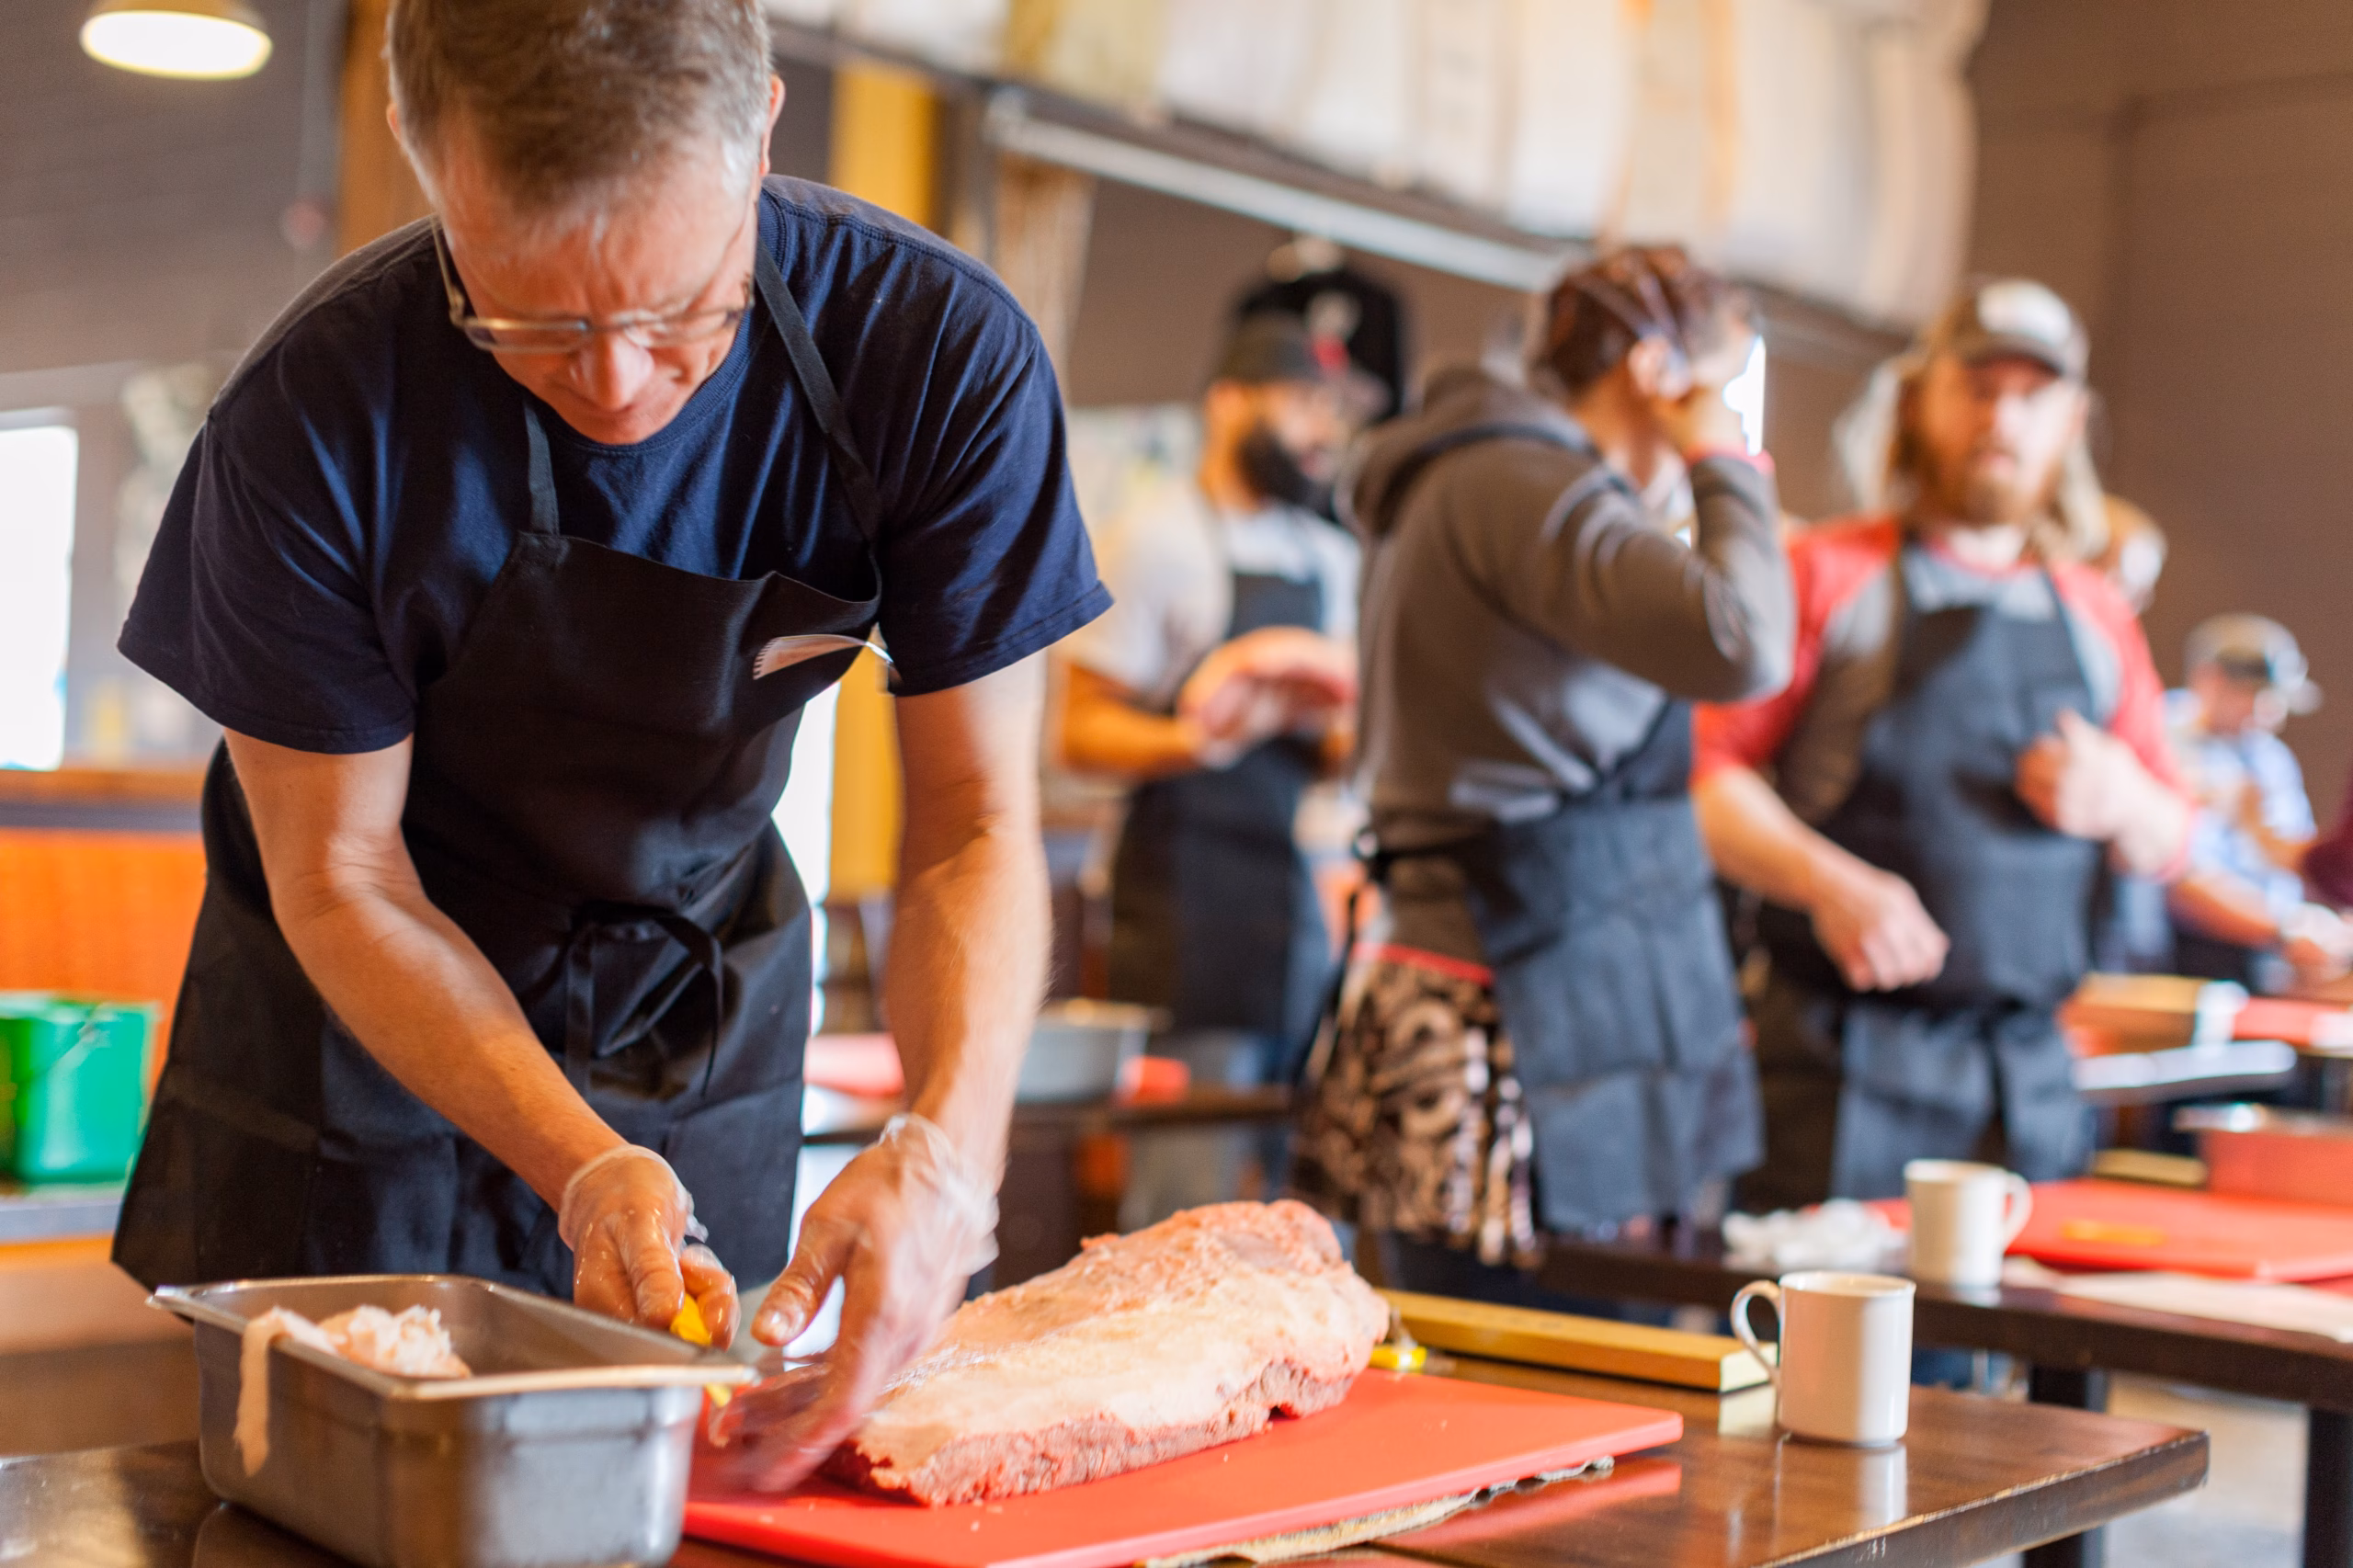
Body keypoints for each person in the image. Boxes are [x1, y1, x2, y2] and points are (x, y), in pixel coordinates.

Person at [110, 0, 1107, 1488]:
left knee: (688, 1502)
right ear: (423, 156)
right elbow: (345, 876)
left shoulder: (932, 358)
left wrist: (949, 1152)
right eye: (535, 326)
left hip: (688, 996)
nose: (622, 386)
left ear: (763, 128)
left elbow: (974, 823)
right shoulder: (312, 417)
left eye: (686, 312)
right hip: (361, 1018)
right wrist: (576, 1165)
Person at [1292, 245, 1792, 1299]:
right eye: (1722, 384)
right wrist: (1726, 461)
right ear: (1659, 374)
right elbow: (1742, 637)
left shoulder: (1508, 476)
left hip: (1529, 974)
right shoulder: (1520, 479)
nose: (1728, 411)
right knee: (1531, 1387)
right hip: (1509, 1011)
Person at [1695, 278, 2192, 1210]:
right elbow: (1698, 776)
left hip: (2024, 1086)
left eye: (2031, 394)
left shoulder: (2094, 612)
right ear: (1918, 398)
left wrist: (2124, 799)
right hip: (1838, 1071)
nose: (2001, 415)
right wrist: (1826, 881)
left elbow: (2172, 837)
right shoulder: (1829, 576)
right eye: (1976, 386)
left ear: (2071, 420)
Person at [1053, 312, 1366, 1217]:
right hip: (1186, 914)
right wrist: (1198, 740)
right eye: (1301, 401)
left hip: (1300, 917)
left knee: (1295, 1205)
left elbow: (1348, 746)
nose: (1321, 431)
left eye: (1331, 410)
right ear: (1229, 403)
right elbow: (1077, 734)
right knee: (1182, 1201)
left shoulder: (1329, 556)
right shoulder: (1154, 537)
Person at [2165, 615, 2353, 991]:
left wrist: (2323, 928)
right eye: (2256, 697)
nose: (2270, 716)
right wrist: (2286, 929)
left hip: (2271, 949)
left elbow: (2295, 858)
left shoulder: (2271, 756)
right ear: (2209, 680)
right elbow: (2178, 879)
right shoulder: (2163, 739)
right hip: (2185, 952)